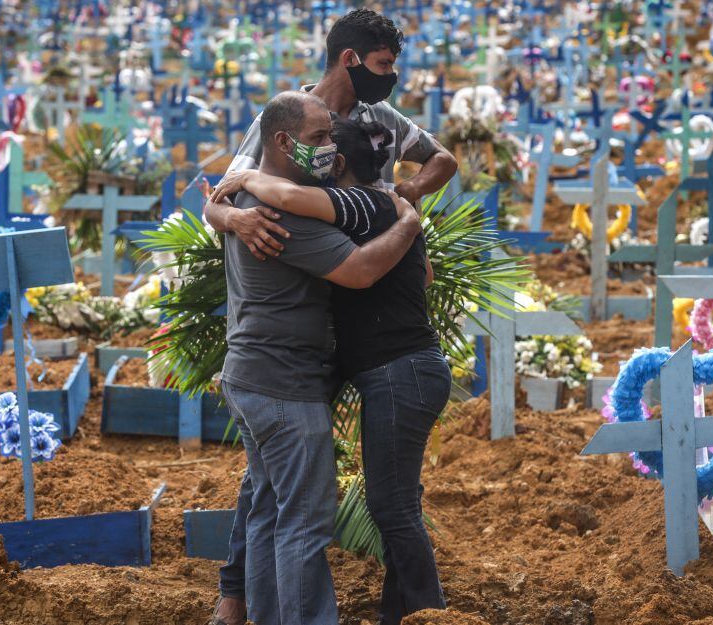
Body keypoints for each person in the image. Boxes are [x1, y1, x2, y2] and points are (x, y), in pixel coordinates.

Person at [206, 10, 456, 625]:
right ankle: (234, 596)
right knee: (282, 493)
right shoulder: (294, 116)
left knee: (306, 491)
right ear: (349, 58)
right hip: (306, 346)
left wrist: (407, 205)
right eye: (381, 65)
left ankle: (400, 609)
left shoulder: (378, 133)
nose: (390, 78)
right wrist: (236, 218)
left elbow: (442, 160)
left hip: (334, 340)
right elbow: (229, 191)